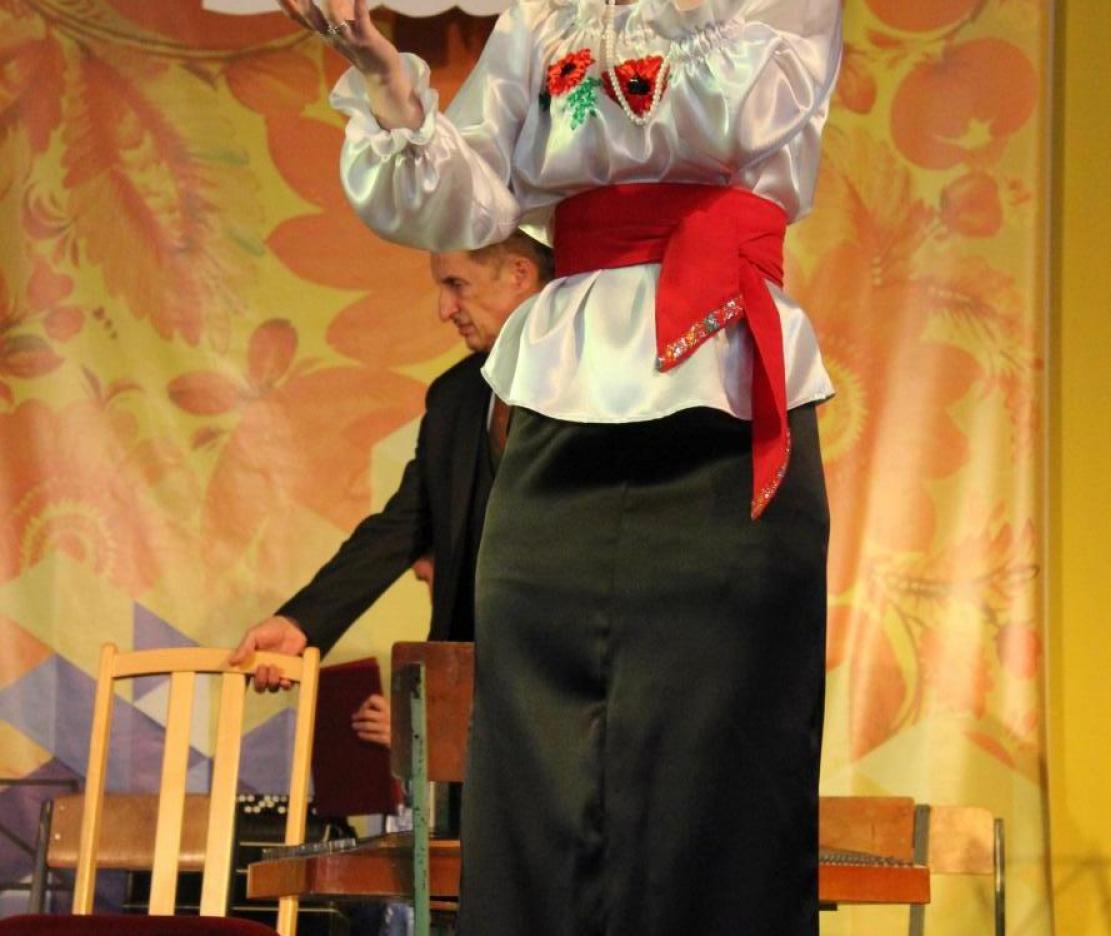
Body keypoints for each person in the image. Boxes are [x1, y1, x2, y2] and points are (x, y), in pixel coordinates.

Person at [261, 0, 842, 932]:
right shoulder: (546, 16)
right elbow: (467, 197)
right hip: (565, 401)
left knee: (719, 752)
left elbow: (737, 116)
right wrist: (383, 77)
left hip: (720, 394)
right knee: (535, 737)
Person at [231, 233, 552, 687]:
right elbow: (403, 525)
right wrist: (301, 623)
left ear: (520, 274)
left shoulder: (607, 389)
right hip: (471, 684)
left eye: (457, 284)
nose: (444, 309)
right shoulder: (454, 397)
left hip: (577, 681)